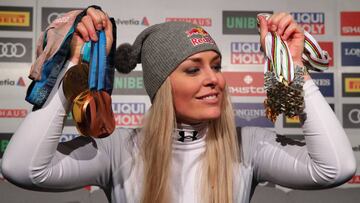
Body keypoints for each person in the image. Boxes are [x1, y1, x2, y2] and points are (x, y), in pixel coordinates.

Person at [1, 8, 356, 203]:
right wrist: (72, 67)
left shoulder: (247, 144)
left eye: (216, 66)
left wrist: (293, 70)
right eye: (192, 69)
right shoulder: (118, 147)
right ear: (161, 85)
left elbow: (335, 169)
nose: (214, 79)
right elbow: (23, 170)